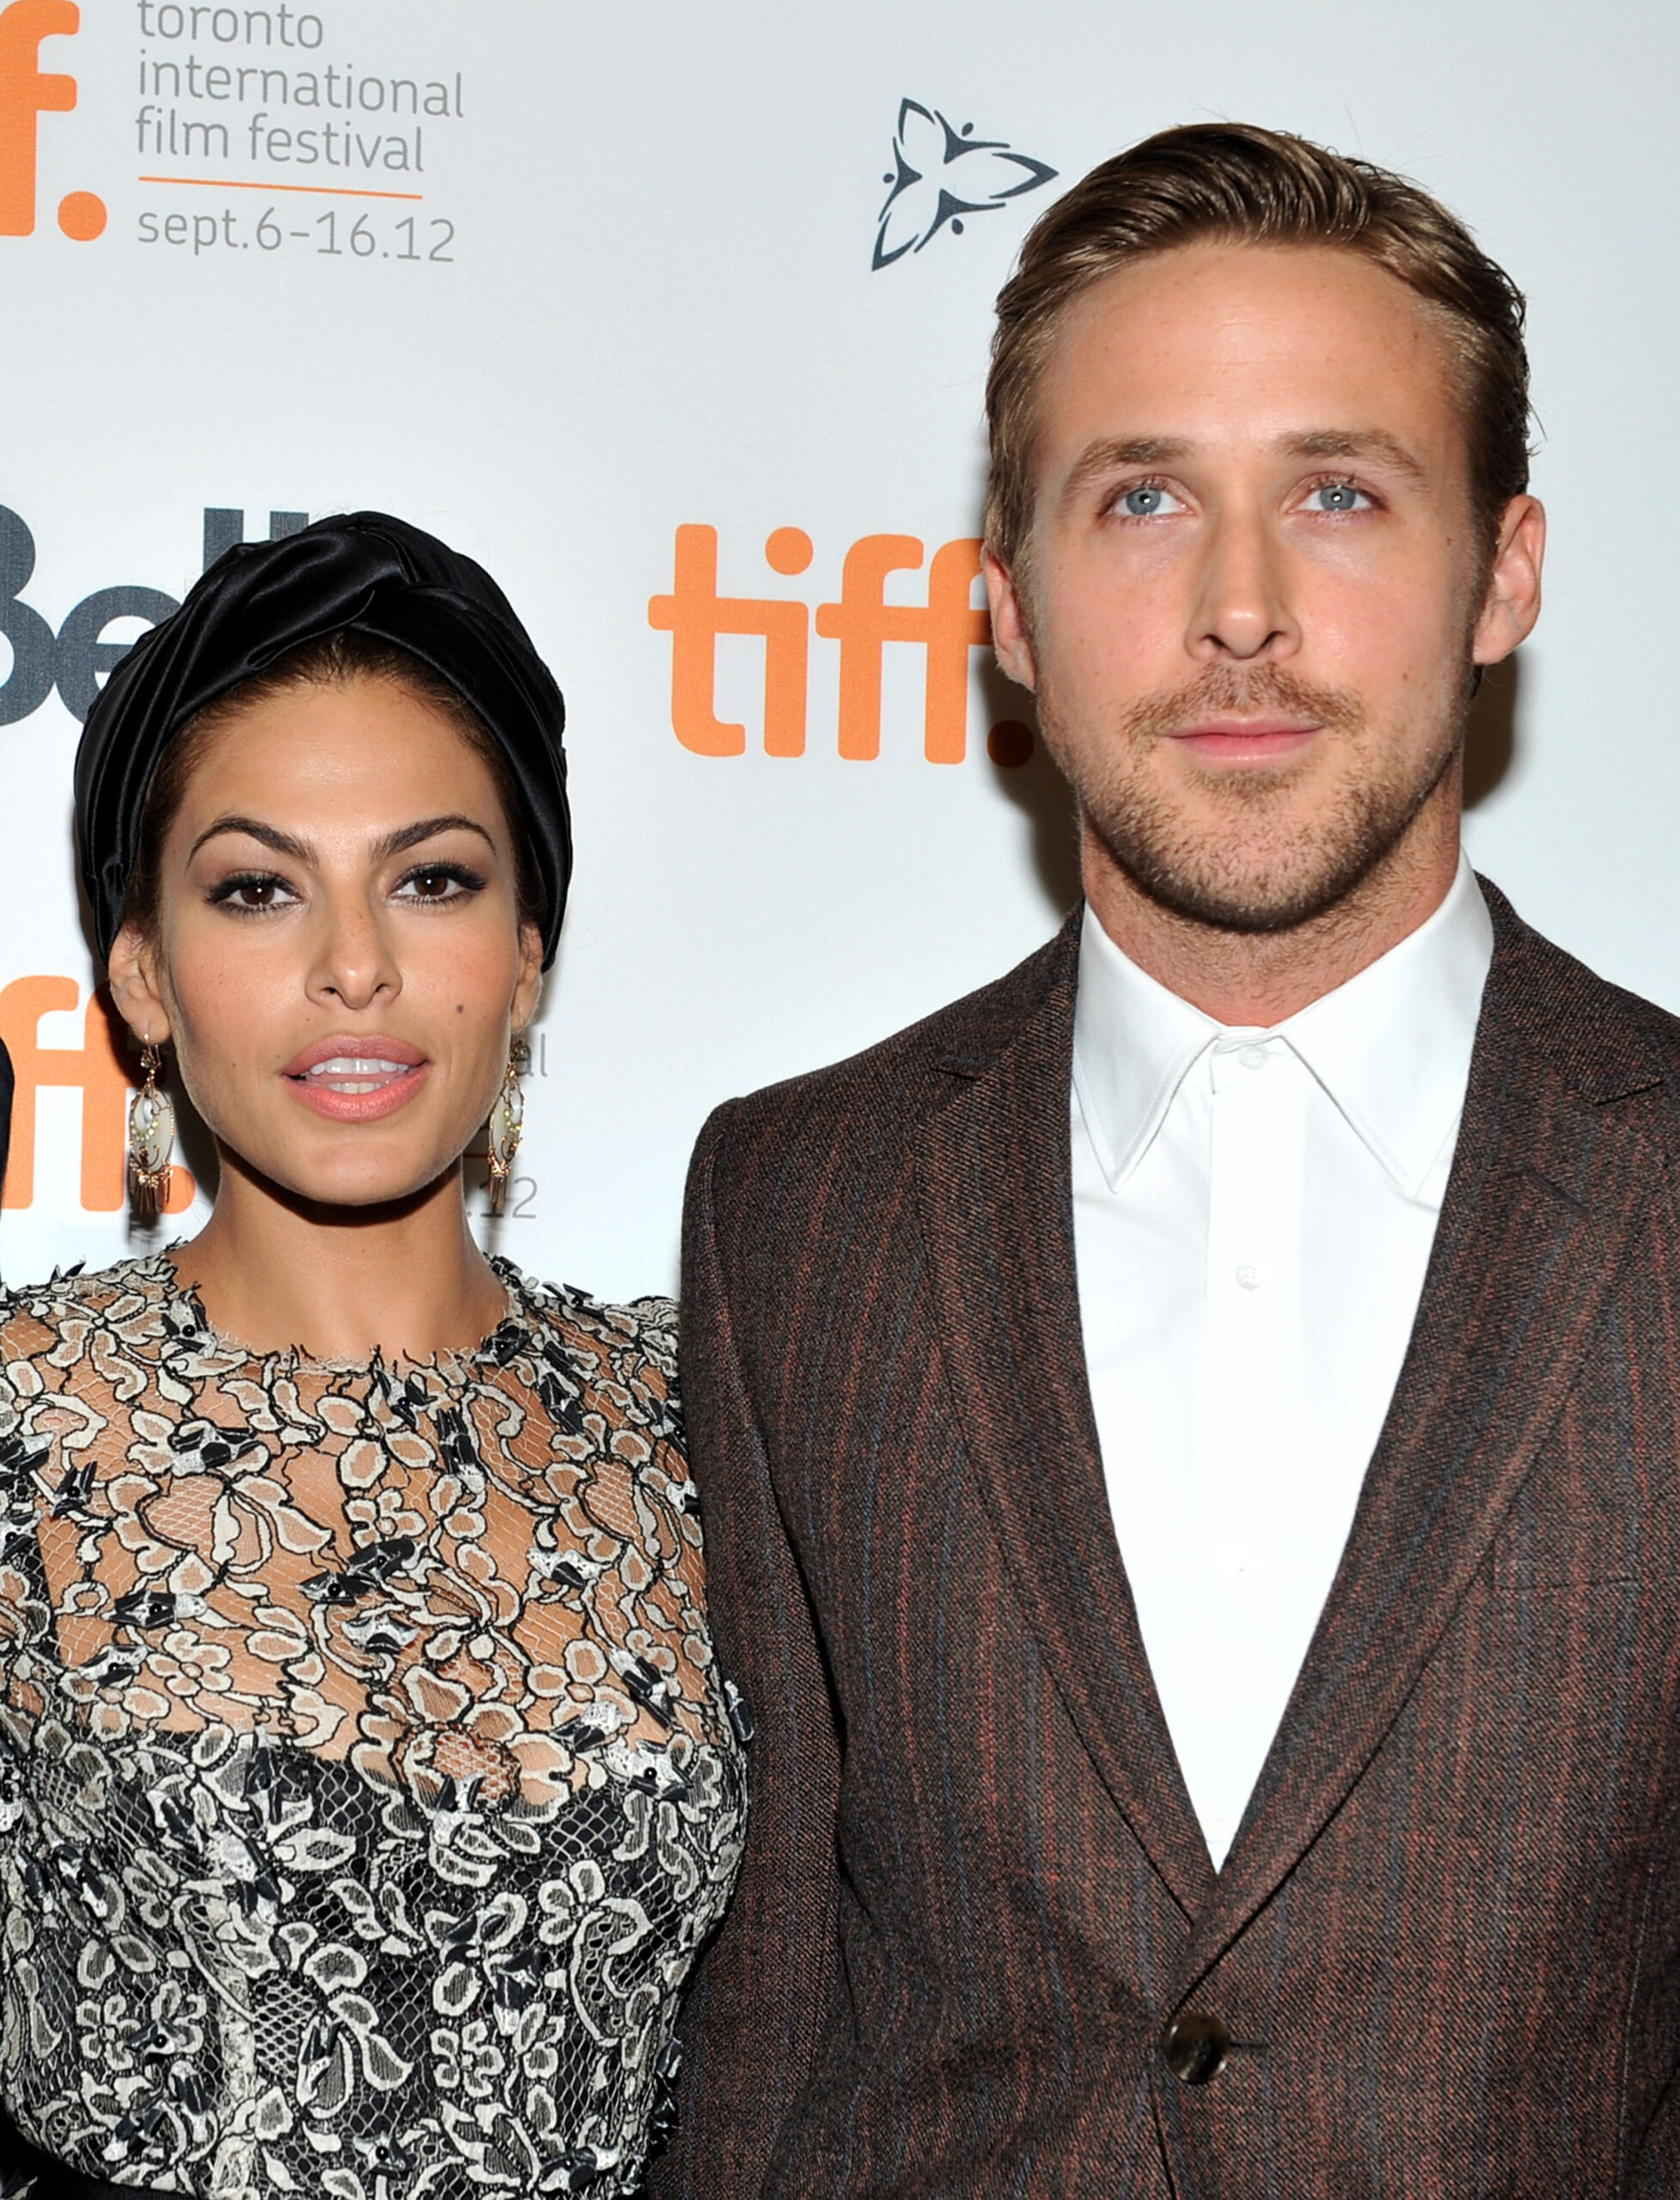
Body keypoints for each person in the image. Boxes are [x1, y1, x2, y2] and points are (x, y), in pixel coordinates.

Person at [655, 123, 1680, 2197]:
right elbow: (765, 2027)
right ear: (1004, 606)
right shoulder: (798, 1206)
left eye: (1336, 491)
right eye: (1141, 498)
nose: (1239, 608)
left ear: (1505, 573)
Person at [0, 514, 747, 2200]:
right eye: (258, 889)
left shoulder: (702, 1412)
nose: (355, 963)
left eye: (434, 878)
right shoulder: (26, 1420)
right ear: (143, 975)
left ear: (528, 955)